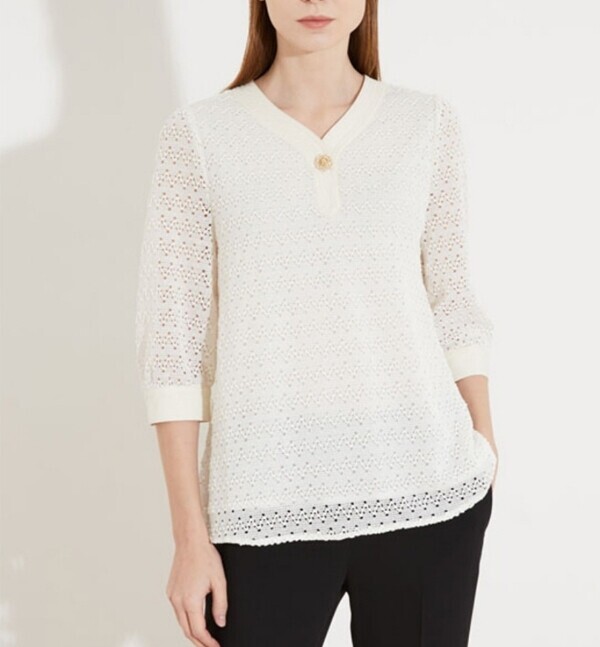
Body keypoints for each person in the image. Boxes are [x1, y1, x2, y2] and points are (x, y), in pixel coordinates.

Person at [134, 1, 500, 645]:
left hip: (428, 488)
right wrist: (189, 537)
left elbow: (451, 300)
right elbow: (173, 345)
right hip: (262, 496)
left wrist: (484, 449)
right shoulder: (199, 137)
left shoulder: (425, 124)